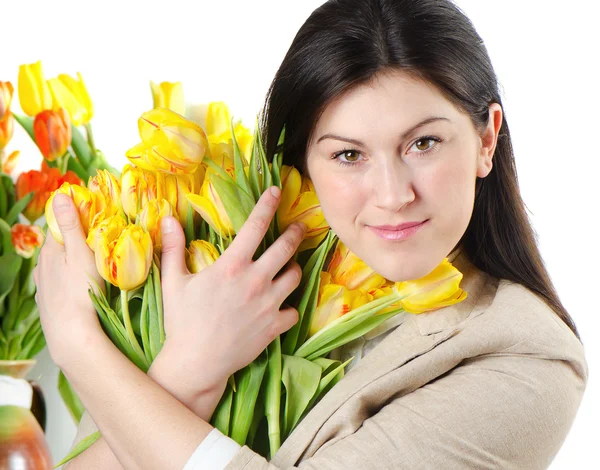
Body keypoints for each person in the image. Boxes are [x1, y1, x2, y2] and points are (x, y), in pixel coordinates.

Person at [33, 0, 588, 468]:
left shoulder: (528, 358)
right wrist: (187, 370)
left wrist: (78, 346)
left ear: (486, 140)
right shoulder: (221, 274)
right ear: (302, 162)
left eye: (424, 144)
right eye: (348, 155)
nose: (392, 194)